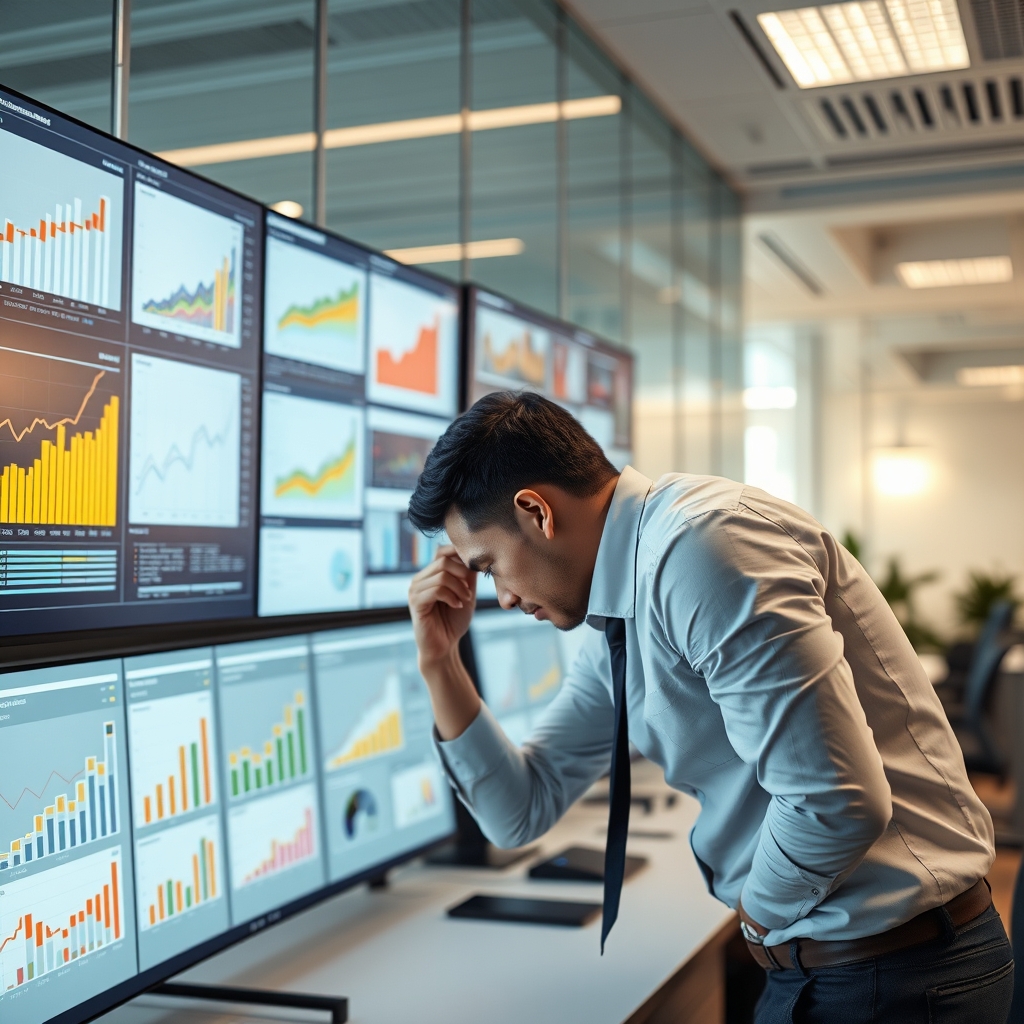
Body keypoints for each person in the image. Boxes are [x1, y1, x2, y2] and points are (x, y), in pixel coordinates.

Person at [406, 390, 1013, 1023]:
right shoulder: (621, 613)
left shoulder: (701, 547)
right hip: (850, 968)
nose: (500, 596)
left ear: (536, 511)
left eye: (491, 564)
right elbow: (521, 810)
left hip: (892, 976)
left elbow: (834, 799)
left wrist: (756, 914)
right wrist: (440, 663)